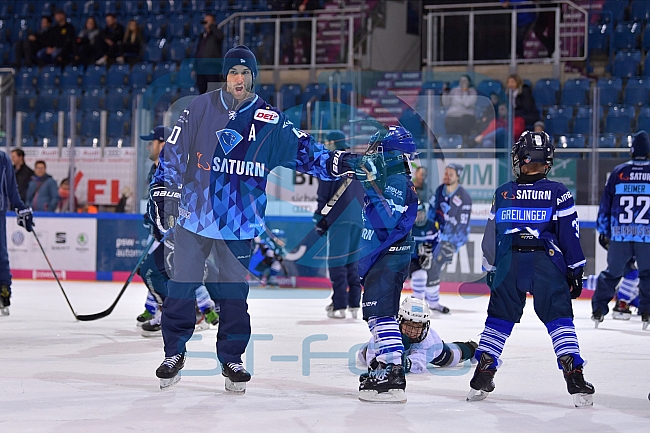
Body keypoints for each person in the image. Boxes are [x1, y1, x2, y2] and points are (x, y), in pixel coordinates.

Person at [147, 45, 381, 392]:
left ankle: (232, 358)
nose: (238, 79)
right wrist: (160, 189)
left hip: (238, 225)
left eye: (245, 73)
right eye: (232, 72)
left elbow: (308, 153)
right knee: (181, 290)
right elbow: (173, 154)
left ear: (253, 77)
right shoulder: (199, 108)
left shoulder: (270, 120)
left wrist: (344, 161)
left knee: (233, 296)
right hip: (193, 219)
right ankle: (173, 353)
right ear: (225, 77)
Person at [468, 130, 594, 407]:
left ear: (520, 158)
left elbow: (490, 239)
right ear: (547, 160)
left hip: (508, 263)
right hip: (545, 263)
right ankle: (574, 374)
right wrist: (575, 270)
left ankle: (483, 372)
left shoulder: (502, 192)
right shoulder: (559, 192)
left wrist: (491, 269)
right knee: (559, 320)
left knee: (498, 321)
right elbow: (570, 236)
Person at [592, 130, 650, 330]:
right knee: (647, 274)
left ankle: (598, 309)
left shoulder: (619, 172)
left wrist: (603, 230)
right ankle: (646, 312)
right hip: (646, 235)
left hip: (620, 233)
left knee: (612, 273)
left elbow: (605, 205)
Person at [315, 130, 364, 319]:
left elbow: (323, 194)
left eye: (327, 141)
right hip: (358, 219)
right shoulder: (356, 164)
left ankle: (339, 305)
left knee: (337, 262)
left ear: (333, 142)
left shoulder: (330, 163)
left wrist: (320, 217)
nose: (325, 145)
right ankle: (354, 304)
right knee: (353, 262)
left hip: (339, 219)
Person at [357, 297, 477, 374]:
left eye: (418, 326)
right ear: (400, 321)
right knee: (362, 354)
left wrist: (406, 364)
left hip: (436, 350)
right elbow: (370, 357)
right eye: (409, 325)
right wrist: (374, 362)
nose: (413, 331)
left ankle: (472, 348)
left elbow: (418, 365)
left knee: (451, 356)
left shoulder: (429, 341)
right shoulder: (389, 329)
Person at [424, 163, 472, 314]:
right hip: (435, 236)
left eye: (450, 174)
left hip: (451, 239)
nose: (446, 177)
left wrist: (452, 244)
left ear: (458, 176)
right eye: (445, 173)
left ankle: (431, 301)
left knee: (434, 266)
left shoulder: (464, 197)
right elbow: (431, 213)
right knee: (425, 266)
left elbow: (463, 227)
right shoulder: (439, 190)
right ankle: (429, 299)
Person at [0, 149, 34, 315]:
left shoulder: (2, 158)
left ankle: (3, 291)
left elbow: (11, 187)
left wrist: (20, 208)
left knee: (0, 254)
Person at [194, 13, 224, 94]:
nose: (206, 24)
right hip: (201, 67)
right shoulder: (202, 35)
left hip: (212, 67)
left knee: (213, 91)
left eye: (208, 22)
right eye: (205, 22)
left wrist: (212, 27)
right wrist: (195, 66)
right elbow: (198, 51)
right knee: (202, 90)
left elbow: (220, 36)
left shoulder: (216, 34)